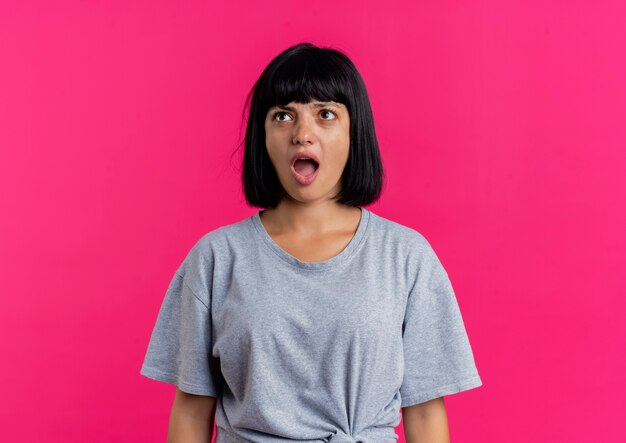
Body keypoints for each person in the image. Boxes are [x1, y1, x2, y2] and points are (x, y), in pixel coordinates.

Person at [140, 42, 483, 443]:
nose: (303, 134)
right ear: (261, 137)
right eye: (283, 116)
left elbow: (424, 414)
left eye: (326, 115)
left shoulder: (406, 257)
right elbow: (191, 409)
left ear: (354, 131)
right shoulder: (216, 258)